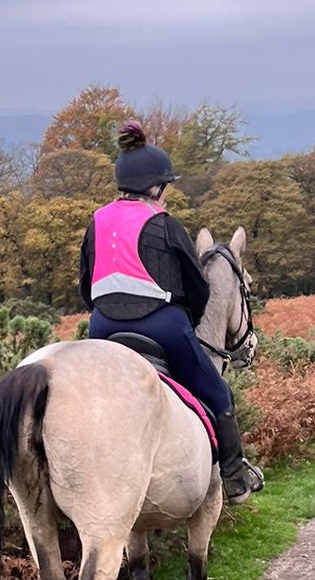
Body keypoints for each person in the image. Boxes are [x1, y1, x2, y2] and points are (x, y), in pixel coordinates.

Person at [79, 122, 263, 502]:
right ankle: (233, 476)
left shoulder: (96, 223)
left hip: (102, 326)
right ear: (156, 187)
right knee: (218, 392)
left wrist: (107, 311)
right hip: (162, 325)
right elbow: (198, 288)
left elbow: (85, 284)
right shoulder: (163, 223)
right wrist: (188, 320)